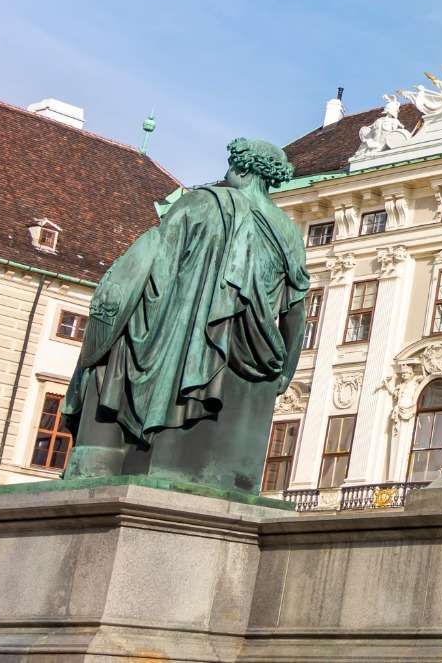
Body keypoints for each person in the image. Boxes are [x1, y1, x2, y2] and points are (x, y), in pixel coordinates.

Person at [61, 138, 309, 494]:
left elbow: (152, 266)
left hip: (187, 340)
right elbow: (295, 310)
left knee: (112, 354)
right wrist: (286, 369)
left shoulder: (200, 203)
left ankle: (98, 455)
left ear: (240, 169)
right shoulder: (288, 231)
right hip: (256, 351)